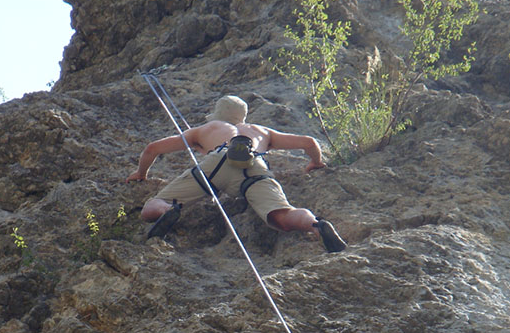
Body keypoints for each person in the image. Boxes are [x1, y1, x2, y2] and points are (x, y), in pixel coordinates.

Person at [126, 95, 346, 252]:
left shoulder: (207, 128)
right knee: (284, 217)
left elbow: (152, 148)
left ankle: (167, 210)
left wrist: (140, 173)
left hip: (217, 162)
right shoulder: (261, 131)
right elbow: (308, 142)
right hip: (254, 166)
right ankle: (316, 225)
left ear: (217, 114)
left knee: (152, 206)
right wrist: (316, 162)